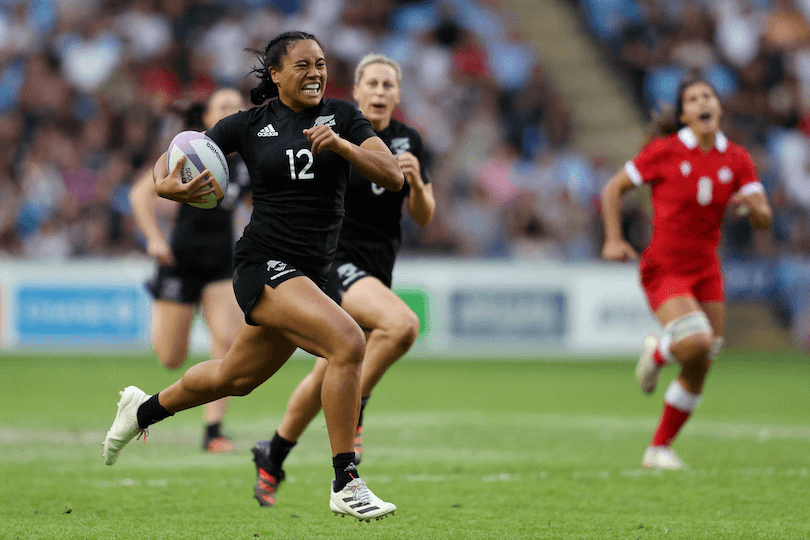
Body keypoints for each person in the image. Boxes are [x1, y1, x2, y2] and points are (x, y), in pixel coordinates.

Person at [102, 31, 404, 522]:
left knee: (233, 378)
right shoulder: (249, 124)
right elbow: (179, 152)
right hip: (262, 265)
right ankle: (346, 480)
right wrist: (164, 184)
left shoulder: (344, 117)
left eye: (321, 64)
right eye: (302, 65)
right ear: (276, 74)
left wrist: (343, 147)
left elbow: (392, 175)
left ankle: (142, 410)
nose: (315, 73)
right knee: (349, 341)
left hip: (308, 275)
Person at [250, 54, 436, 507]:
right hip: (336, 261)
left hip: (378, 269)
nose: (379, 91)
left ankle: (273, 453)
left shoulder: (409, 140)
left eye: (387, 85)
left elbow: (424, 216)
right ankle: (357, 411)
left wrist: (416, 184)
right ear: (356, 91)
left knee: (329, 374)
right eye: (371, 83)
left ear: (398, 93)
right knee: (402, 326)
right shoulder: (337, 132)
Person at [600, 75, 772, 469]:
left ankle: (658, 448)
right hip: (666, 266)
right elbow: (613, 188)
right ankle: (660, 352)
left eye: (707, 96)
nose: (702, 102)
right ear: (684, 115)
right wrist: (613, 239)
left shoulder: (737, 158)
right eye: (693, 99)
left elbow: (763, 217)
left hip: (706, 269)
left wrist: (757, 209)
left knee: (703, 358)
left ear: (719, 107)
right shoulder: (664, 151)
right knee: (695, 340)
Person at [129, 88, 250, 453]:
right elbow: (140, 195)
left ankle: (213, 430)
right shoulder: (189, 151)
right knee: (171, 358)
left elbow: (258, 204)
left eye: (237, 107)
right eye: (223, 106)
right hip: (179, 262)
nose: (232, 111)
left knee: (228, 342)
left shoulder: (248, 160)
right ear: (208, 117)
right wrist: (155, 239)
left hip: (221, 263)